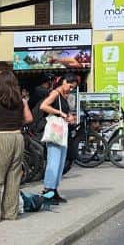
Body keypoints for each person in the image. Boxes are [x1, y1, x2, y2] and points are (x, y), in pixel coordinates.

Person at [0, 70, 32, 222]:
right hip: (17, 137)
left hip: (0, 138)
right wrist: (16, 123)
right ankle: (10, 213)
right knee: (13, 177)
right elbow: (29, 118)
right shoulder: (21, 101)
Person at [39, 74, 78, 204]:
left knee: (60, 163)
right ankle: (47, 191)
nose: (70, 89)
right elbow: (43, 106)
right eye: (70, 86)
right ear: (64, 82)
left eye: (73, 88)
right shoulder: (55, 93)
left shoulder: (64, 96)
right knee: (54, 161)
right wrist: (60, 113)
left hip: (62, 131)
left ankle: (54, 190)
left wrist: (69, 117)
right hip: (55, 131)